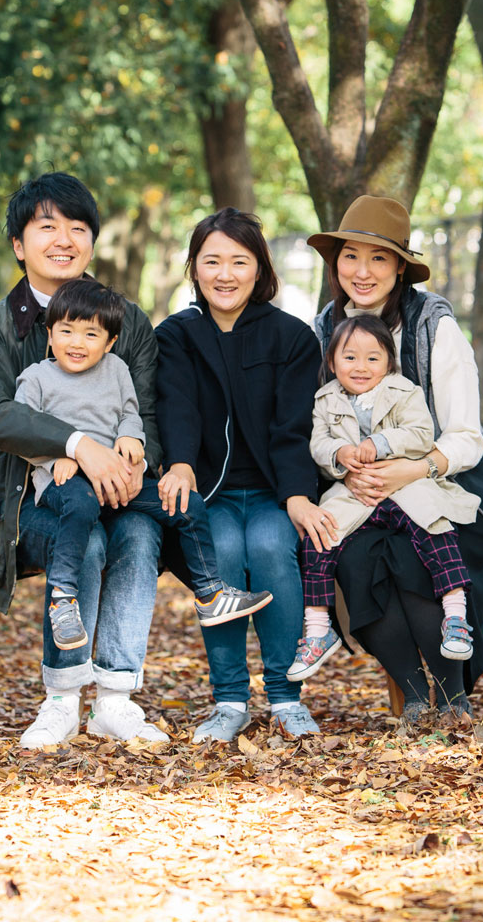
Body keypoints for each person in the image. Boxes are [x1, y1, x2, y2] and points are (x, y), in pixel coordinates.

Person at [0, 171, 169, 749]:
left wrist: (131, 458)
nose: (64, 239)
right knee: (90, 543)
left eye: (78, 227)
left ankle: (115, 700)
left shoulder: (127, 322)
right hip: (28, 503)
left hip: (122, 491)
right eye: (46, 226)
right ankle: (60, 699)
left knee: (136, 538)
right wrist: (79, 445)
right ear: (18, 245)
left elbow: (149, 411)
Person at [307, 195, 483, 724]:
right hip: (360, 488)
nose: (362, 271)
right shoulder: (325, 328)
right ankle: (414, 697)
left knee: (412, 556)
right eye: (351, 256)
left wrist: (413, 468)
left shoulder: (431, 325)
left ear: (400, 266)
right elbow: (319, 425)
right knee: (355, 560)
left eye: (379, 258)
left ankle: (452, 695)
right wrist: (347, 469)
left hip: (445, 477)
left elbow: (467, 435)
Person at [155, 208, 338, 743]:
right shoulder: (178, 335)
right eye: (212, 261)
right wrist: (182, 460)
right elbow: (177, 405)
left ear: (260, 269)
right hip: (206, 491)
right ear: (194, 268)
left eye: (240, 260)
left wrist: (299, 497)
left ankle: (285, 697)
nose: (225, 273)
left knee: (268, 550)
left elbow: (291, 426)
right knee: (224, 556)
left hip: (271, 493)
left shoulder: (290, 337)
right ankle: (230, 700)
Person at [15, 277, 273, 652]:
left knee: (185, 502)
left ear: (110, 342)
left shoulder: (116, 370)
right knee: (81, 506)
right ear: (49, 334)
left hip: (118, 484)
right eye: (66, 331)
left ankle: (210, 593)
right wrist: (59, 455)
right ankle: (63, 599)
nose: (76, 343)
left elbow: (130, 414)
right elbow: (23, 430)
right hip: (66, 483)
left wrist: (131, 439)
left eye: (90, 335)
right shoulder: (38, 377)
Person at [287, 313, 480, 683]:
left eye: (373, 358)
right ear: (331, 362)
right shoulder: (325, 399)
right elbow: (318, 442)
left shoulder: (403, 391)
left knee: (434, 526)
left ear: (388, 362)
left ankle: (455, 616)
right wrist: (340, 454)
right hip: (355, 490)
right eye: (349, 357)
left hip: (405, 484)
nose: (361, 367)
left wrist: (381, 442)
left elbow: (422, 433)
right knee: (319, 534)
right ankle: (317, 629)